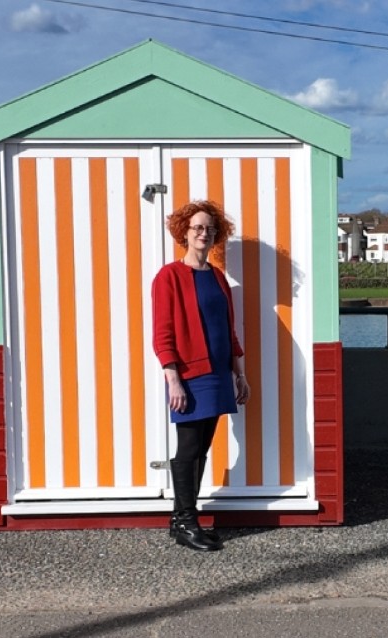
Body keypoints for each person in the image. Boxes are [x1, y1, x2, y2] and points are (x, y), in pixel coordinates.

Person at [151, 200, 250, 551]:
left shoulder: (218, 277)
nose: (203, 233)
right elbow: (162, 333)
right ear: (184, 232)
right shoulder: (169, 276)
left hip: (219, 373)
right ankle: (184, 522)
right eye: (197, 227)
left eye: (209, 228)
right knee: (189, 449)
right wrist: (173, 379)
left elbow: (229, 329)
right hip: (191, 374)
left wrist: (239, 374)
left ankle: (184, 520)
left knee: (202, 448)